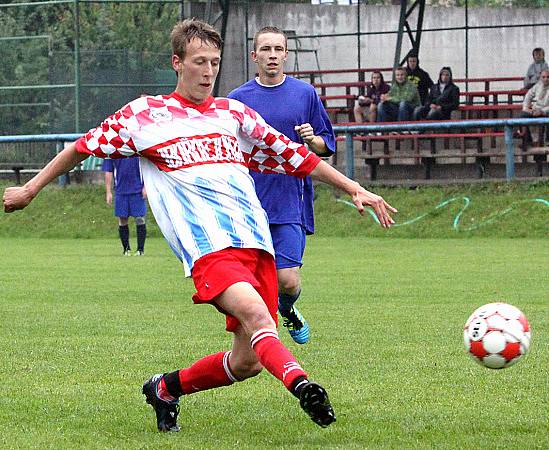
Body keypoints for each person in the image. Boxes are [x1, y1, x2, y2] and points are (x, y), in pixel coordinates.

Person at [3, 19, 396, 432]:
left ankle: (165, 389)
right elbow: (80, 148)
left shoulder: (234, 113)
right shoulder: (145, 116)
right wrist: (30, 189)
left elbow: (295, 155)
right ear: (177, 63)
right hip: (209, 250)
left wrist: (355, 189)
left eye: (215, 62)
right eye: (199, 62)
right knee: (261, 319)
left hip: (255, 244)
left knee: (246, 363)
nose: (208, 72)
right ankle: (303, 385)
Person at [227, 26, 335, 345]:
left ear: (286, 55)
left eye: (278, 49)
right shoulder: (238, 99)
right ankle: (260, 337)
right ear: (254, 56)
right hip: (249, 202)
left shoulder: (305, 94)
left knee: (287, 280)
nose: (272, 55)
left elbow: (327, 145)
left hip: (290, 198)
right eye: (266, 49)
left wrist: (312, 140)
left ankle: (286, 310)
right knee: (252, 281)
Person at [103, 158, 147, 255]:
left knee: (140, 219)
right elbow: (108, 171)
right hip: (120, 191)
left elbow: (147, 168)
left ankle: (140, 250)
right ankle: (126, 249)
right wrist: (108, 192)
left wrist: (145, 186)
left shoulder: (137, 149)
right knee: (122, 219)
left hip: (137, 191)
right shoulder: (112, 151)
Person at [516, 69, 549, 141]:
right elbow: (528, 95)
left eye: (548, 77)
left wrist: (542, 111)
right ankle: (528, 140)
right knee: (522, 116)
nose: (546, 79)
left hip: (546, 111)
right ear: (540, 78)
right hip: (535, 110)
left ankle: (548, 141)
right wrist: (526, 108)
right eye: (543, 77)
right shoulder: (538, 86)